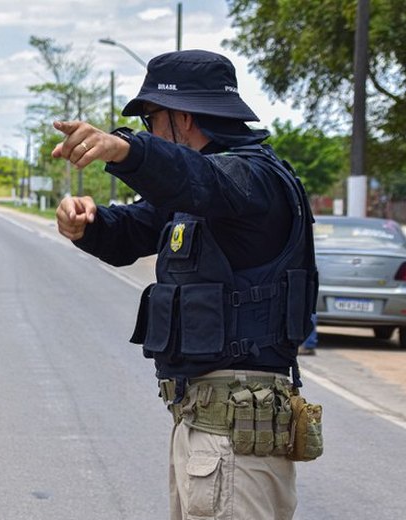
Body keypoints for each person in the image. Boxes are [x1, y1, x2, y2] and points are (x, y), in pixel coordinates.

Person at [51, 50, 318, 520]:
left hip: (236, 435)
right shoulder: (200, 192)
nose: (151, 129)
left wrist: (128, 150)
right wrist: (86, 225)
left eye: (153, 118)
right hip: (205, 429)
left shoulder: (249, 177)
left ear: (183, 117)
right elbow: (135, 227)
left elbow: (201, 179)